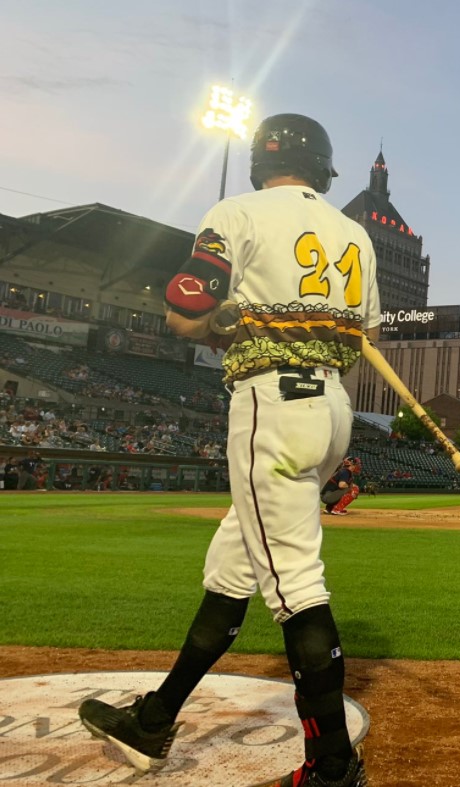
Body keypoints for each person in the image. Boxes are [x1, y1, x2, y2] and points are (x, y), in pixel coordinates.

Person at [78, 113, 380, 787]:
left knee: (294, 583)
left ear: (257, 161)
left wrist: (223, 324)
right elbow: (362, 335)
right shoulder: (355, 233)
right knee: (233, 567)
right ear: (324, 169)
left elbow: (183, 312)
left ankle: (332, 766)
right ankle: (154, 717)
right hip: (331, 407)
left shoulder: (237, 210)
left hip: (270, 405)